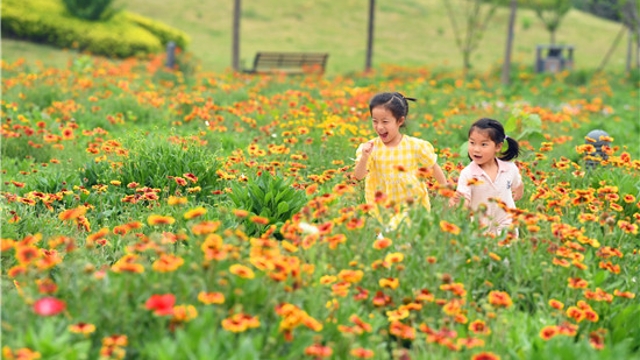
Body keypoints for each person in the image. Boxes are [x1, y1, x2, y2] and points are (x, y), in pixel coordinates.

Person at [353, 92, 447, 230]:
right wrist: (364, 158)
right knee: (393, 241)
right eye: (375, 121)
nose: (379, 127)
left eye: (385, 122)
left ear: (400, 121)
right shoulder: (370, 148)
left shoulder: (415, 146)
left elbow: (433, 167)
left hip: (411, 205)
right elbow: (358, 176)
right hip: (382, 208)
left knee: (395, 232)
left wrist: (446, 192)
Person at [450, 118, 524, 236]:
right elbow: (465, 200)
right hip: (480, 227)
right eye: (472, 143)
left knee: (506, 252)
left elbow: (518, 182)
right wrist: (457, 203)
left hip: (507, 223)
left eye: (483, 144)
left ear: (498, 147)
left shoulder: (510, 168)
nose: (476, 149)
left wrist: (519, 190)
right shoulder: (468, 173)